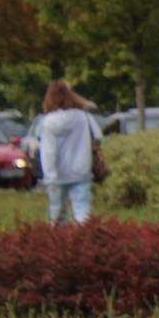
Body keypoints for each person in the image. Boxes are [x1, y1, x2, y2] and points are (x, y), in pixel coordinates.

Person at [34, 80, 103, 224]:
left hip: (56, 174)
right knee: (83, 210)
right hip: (81, 170)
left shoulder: (47, 122)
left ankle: (60, 243)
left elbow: (48, 151)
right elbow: (98, 137)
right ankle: (84, 240)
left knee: (57, 213)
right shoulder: (83, 117)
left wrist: (50, 174)